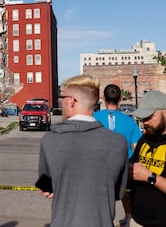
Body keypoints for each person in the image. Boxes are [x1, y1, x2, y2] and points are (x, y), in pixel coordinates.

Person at [38, 75, 129, 227]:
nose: (61, 102)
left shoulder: (50, 140)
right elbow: (118, 192)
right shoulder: (118, 143)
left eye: (63, 97)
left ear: (71, 101)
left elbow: (46, 185)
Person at [94, 84, 142, 227]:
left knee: (102, 199)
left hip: (99, 168)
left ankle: (106, 221)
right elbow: (137, 146)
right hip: (123, 168)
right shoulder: (129, 121)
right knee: (127, 194)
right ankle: (128, 218)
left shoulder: (93, 118)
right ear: (120, 99)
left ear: (103, 98)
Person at [129, 90, 166, 227]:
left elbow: (144, 174)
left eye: (150, 116)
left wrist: (149, 176)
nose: (145, 122)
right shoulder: (144, 140)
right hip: (137, 220)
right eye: (143, 118)